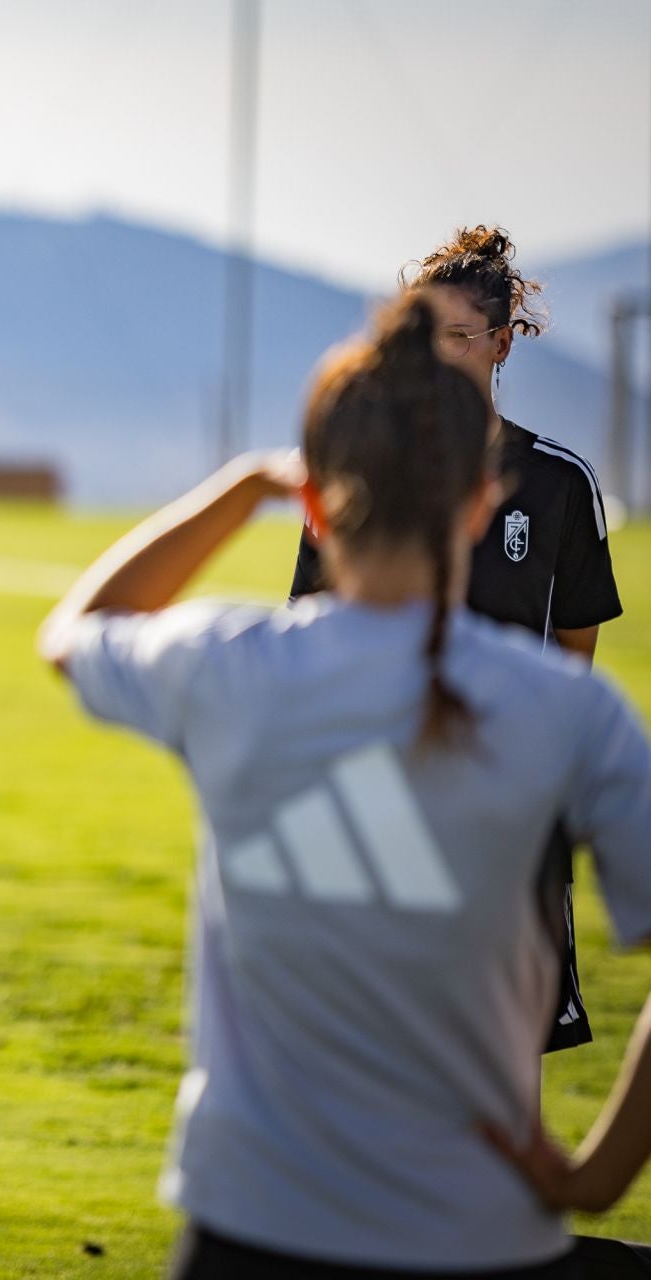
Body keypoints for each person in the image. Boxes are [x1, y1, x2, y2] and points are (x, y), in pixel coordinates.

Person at [40, 292, 651, 1278]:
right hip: (480, 1234)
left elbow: (72, 633)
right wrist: (595, 1175)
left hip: (251, 1227)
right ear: (480, 503)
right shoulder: (569, 709)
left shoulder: (229, 658)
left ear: (317, 505)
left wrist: (244, 489)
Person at [290, 227, 622, 1052]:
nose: (440, 359)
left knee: (509, 1081)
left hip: (510, 826)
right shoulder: (350, 481)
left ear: (503, 343)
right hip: (377, 810)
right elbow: (310, 639)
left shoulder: (558, 485)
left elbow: (571, 664)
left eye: (461, 338)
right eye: (422, 337)